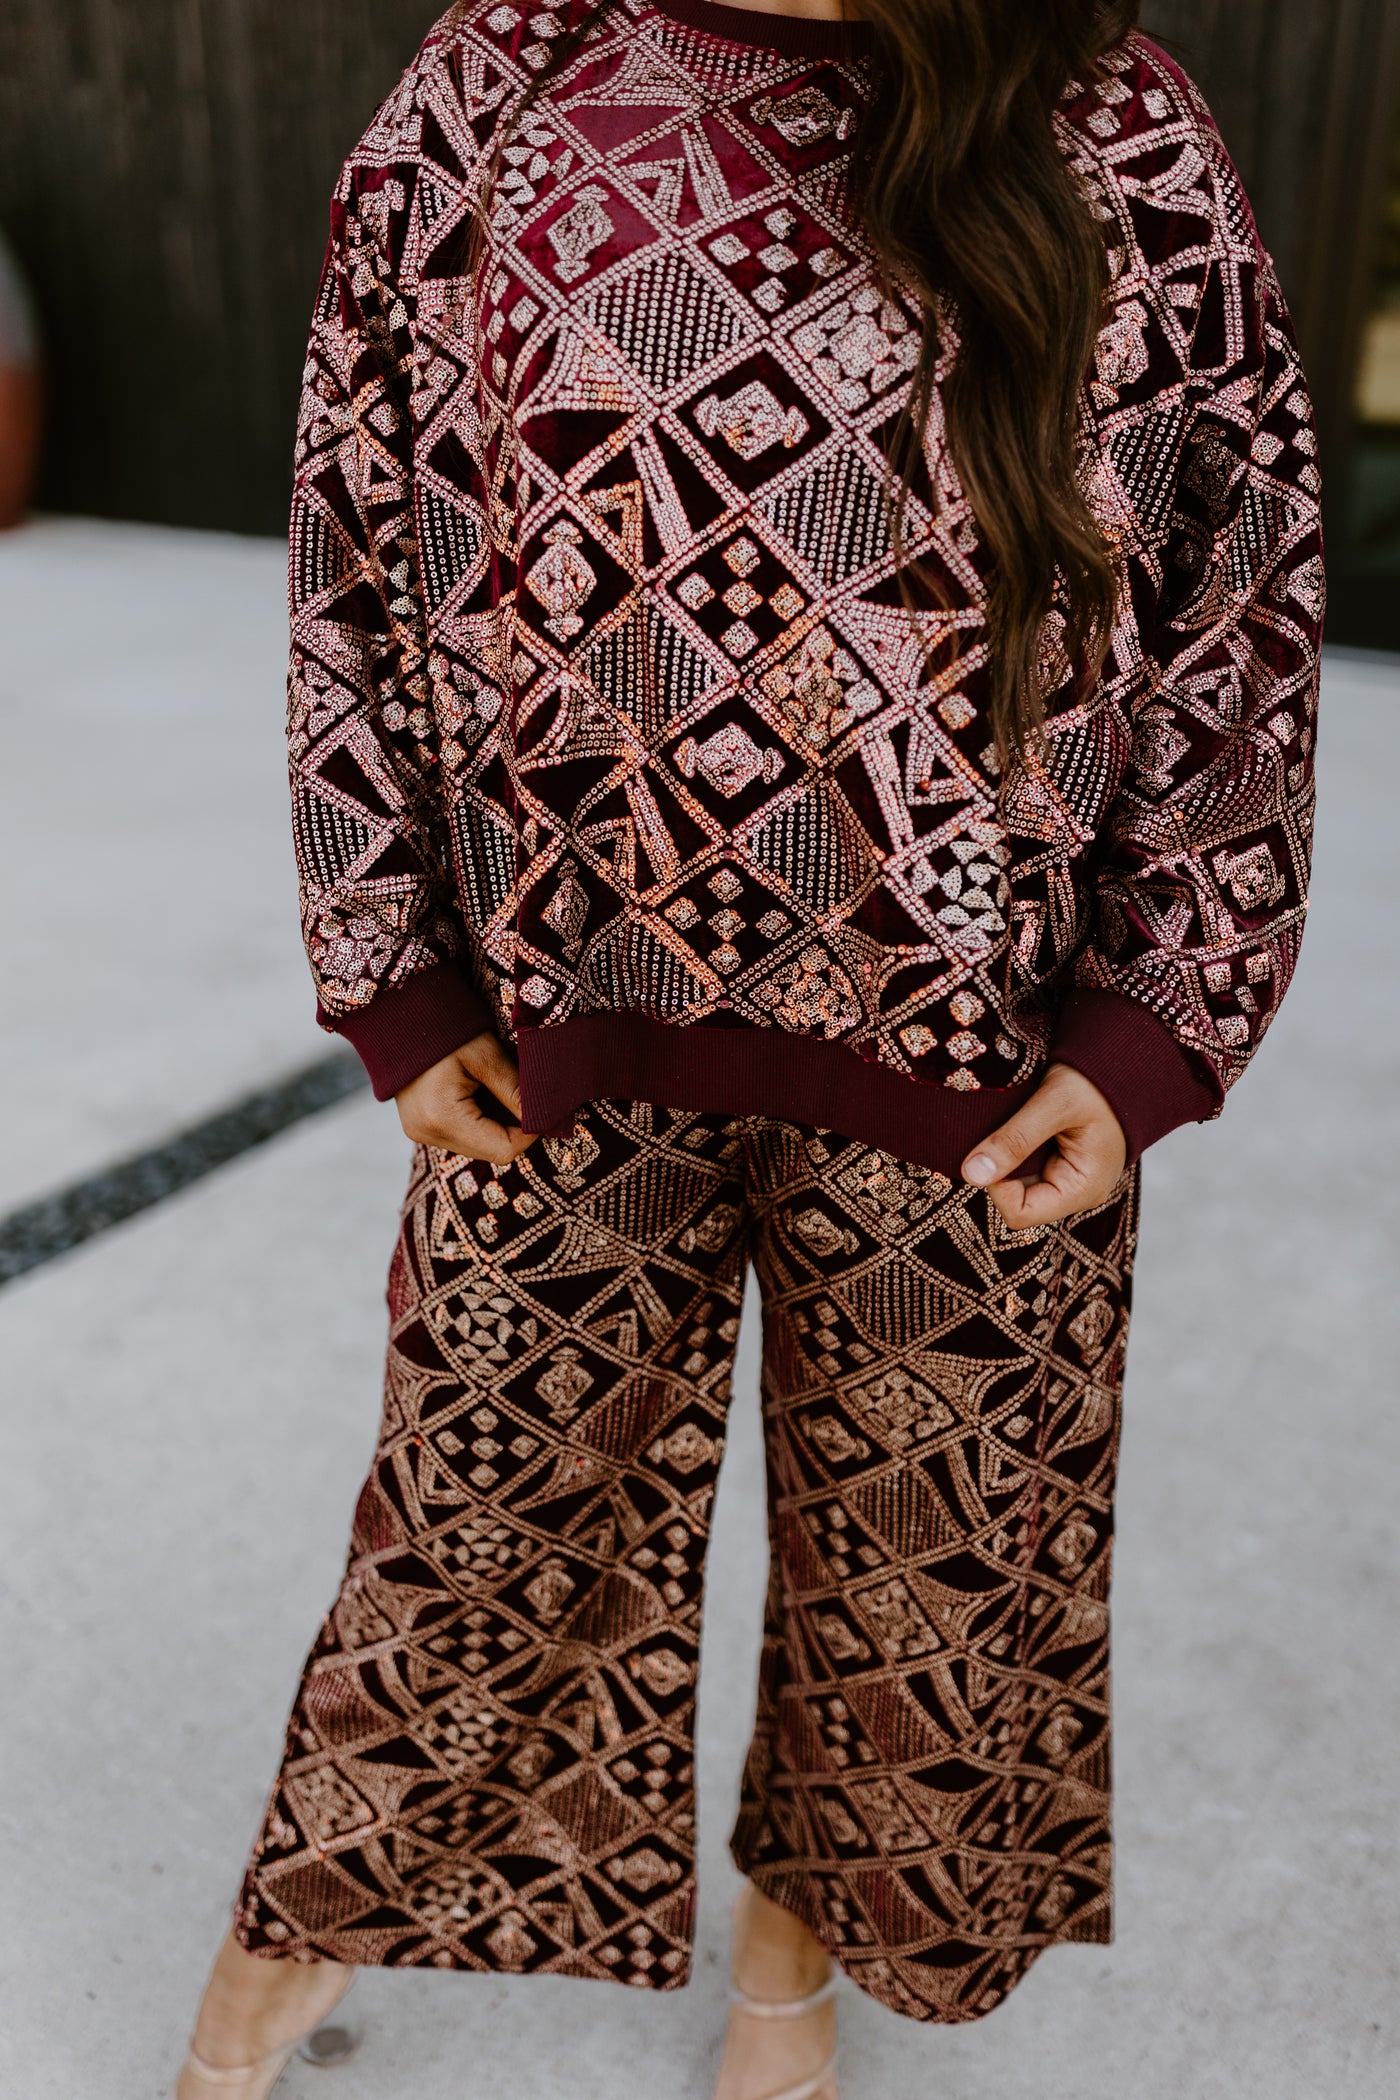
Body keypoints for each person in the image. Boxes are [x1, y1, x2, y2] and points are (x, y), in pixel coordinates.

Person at [177, 0, 1324, 2092]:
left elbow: (1234, 588)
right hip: (564, 1007)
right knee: (473, 1514)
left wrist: (1162, 1014)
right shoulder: (501, 77)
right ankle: (287, 1948)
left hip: (976, 1046)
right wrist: (391, 961)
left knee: (915, 1589)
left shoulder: (1106, 117)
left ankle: (786, 1966)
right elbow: (360, 512)